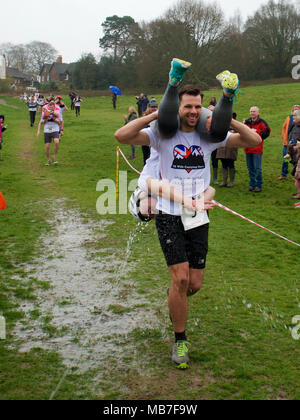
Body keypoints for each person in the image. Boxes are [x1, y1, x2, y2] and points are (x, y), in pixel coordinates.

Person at [115, 58, 261, 369]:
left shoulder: (209, 136)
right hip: (169, 212)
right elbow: (122, 136)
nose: (193, 112)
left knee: (193, 284)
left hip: (198, 216)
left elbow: (254, 141)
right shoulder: (162, 135)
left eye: (198, 107)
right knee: (180, 278)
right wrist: (156, 114)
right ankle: (180, 340)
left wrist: (227, 119)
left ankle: (175, 299)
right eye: (188, 107)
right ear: (178, 108)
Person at [244, 106, 271, 192]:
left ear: (258, 113)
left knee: (257, 168)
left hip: (257, 149)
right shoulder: (247, 122)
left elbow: (267, 132)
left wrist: (257, 132)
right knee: (250, 168)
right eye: (251, 111)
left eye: (254, 111)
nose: (252, 113)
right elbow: (242, 132)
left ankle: (258, 185)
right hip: (248, 148)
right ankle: (252, 184)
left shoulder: (262, 122)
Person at [278, 105, 300, 180]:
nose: (294, 112)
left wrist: (294, 142)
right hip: (287, 143)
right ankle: (284, 174)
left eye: (296, 110)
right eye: (294, 110)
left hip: (296, 147)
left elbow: (296, 137)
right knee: (286, 159)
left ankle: (296, 175)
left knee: (296, 161)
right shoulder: (289, 119)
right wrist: (285, 138)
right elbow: (285, 128)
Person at [216, 112, 238, 187]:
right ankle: (224, 181)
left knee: (231, 164)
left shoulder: (236, 126)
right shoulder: (222, 125)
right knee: (224, 164)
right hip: (222, 148)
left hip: (231, 149)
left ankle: (231, 182)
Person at [36, 101, 60, 165]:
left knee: (57, 142)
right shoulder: (45, 113)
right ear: (48, 107)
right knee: (47, 147)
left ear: (54, 107)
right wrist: (38, 131)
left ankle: (54, 156)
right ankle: (48, 160)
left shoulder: (57, 113)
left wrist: (54, 119)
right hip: (47, 130)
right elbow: (41, 123)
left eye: (52, 107)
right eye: (50, 107)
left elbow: (59, 122)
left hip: (55, 129)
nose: (51, 108)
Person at [141, 99, 159, 165]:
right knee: (145, 154)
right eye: (152, 107)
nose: (154, 108)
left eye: (155, 107)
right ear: (149, 108)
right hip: (145, 137)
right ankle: (145, 167)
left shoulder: (160, 115)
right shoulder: (146, 115)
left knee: (153, 154)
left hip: (155, 138)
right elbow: (141, 126)